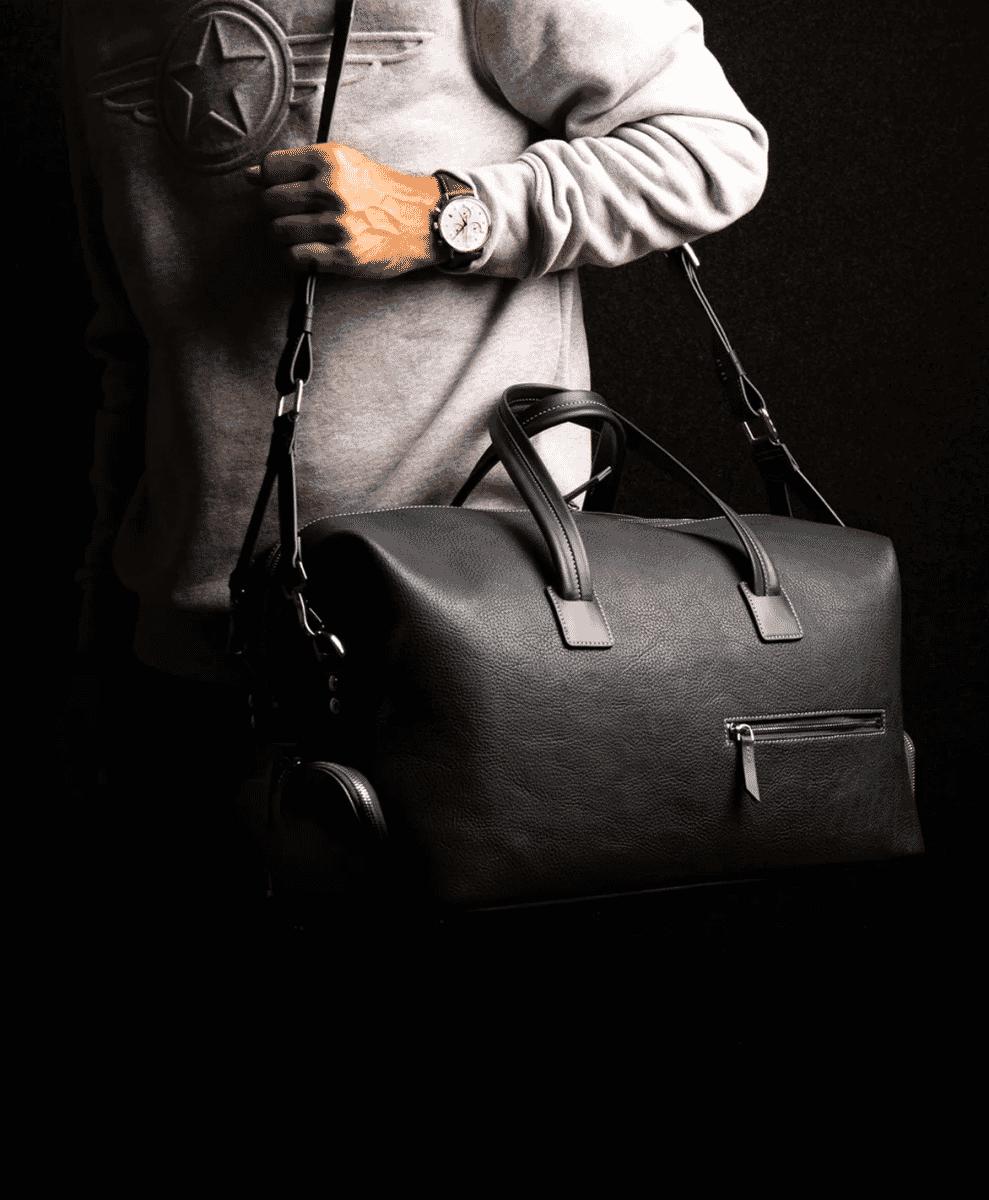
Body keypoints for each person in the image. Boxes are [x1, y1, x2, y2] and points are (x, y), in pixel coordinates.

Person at [60, 0, 768, 933]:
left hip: (471, 647)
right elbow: (128, 341)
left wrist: (442, 213)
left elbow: (711, 149)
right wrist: (105, 613)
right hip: (188, 665)